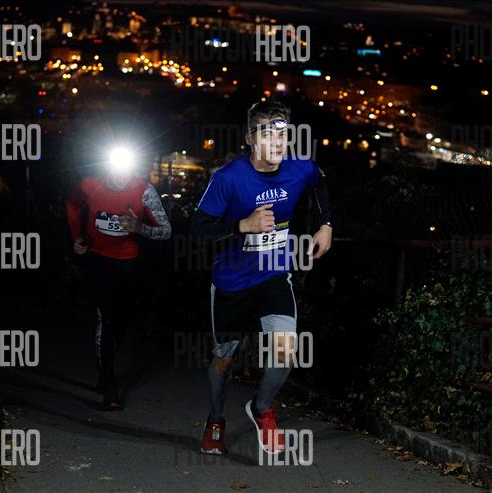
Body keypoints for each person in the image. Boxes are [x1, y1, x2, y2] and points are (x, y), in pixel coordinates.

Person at [191, 100, 332, 455]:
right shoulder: (227, 178)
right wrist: (243, 225)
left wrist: (326, 225)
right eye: (267, 134)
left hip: (274, 275)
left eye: (282, 134)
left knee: (286, 351)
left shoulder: (300, 169)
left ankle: (261, 407)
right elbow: (198, 229)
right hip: (232, 282)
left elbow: (319, 180)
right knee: (224, 358)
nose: (277, 142)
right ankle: (215, 420)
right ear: (250, 139)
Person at [67, 155, 171, 410]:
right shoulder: (90, 185)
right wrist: (77, 236)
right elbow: (71, 204)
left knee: (120, 323)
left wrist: (139, 228)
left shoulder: (144, 191)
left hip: (127, 263)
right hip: (98, 260)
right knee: (107, 319)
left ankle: (104, 365)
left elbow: (166, 230)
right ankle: (110, 387)